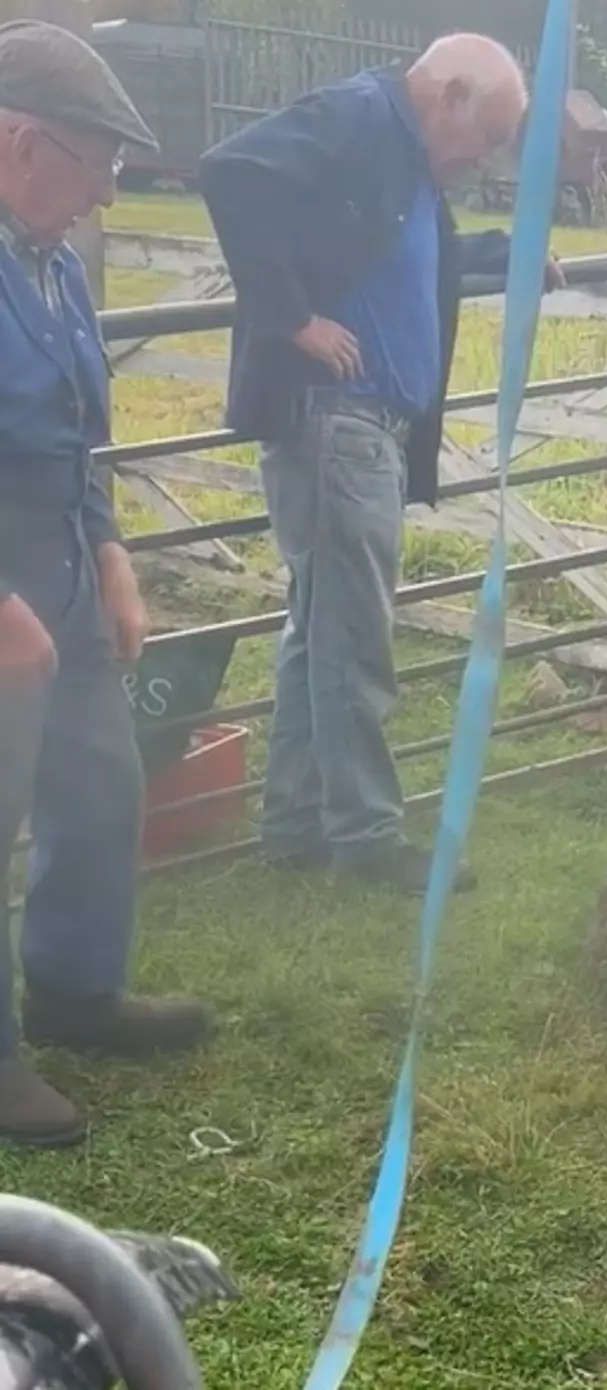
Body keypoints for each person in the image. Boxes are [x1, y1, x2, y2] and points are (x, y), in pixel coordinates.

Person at [197, 34, 564, 897]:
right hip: (336, 423)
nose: (482, 159)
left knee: (318, 630)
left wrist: (505, 255)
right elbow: (230, 173)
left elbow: (409, 259)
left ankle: (293, 826)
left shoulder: (404, 162)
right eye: (486, 135)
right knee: (355, 634)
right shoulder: (360, 117)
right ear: (450, 94)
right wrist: (291, 319)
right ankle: (366, 835)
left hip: (360, 429)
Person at [0, 19, 214, 1147]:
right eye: (97, 166)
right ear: (24, 146)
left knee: (98, 777)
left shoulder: (50, 272)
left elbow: (80, 436)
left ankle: (76, 989)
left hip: (63, 561)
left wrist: (115, 561)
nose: (106, 199)